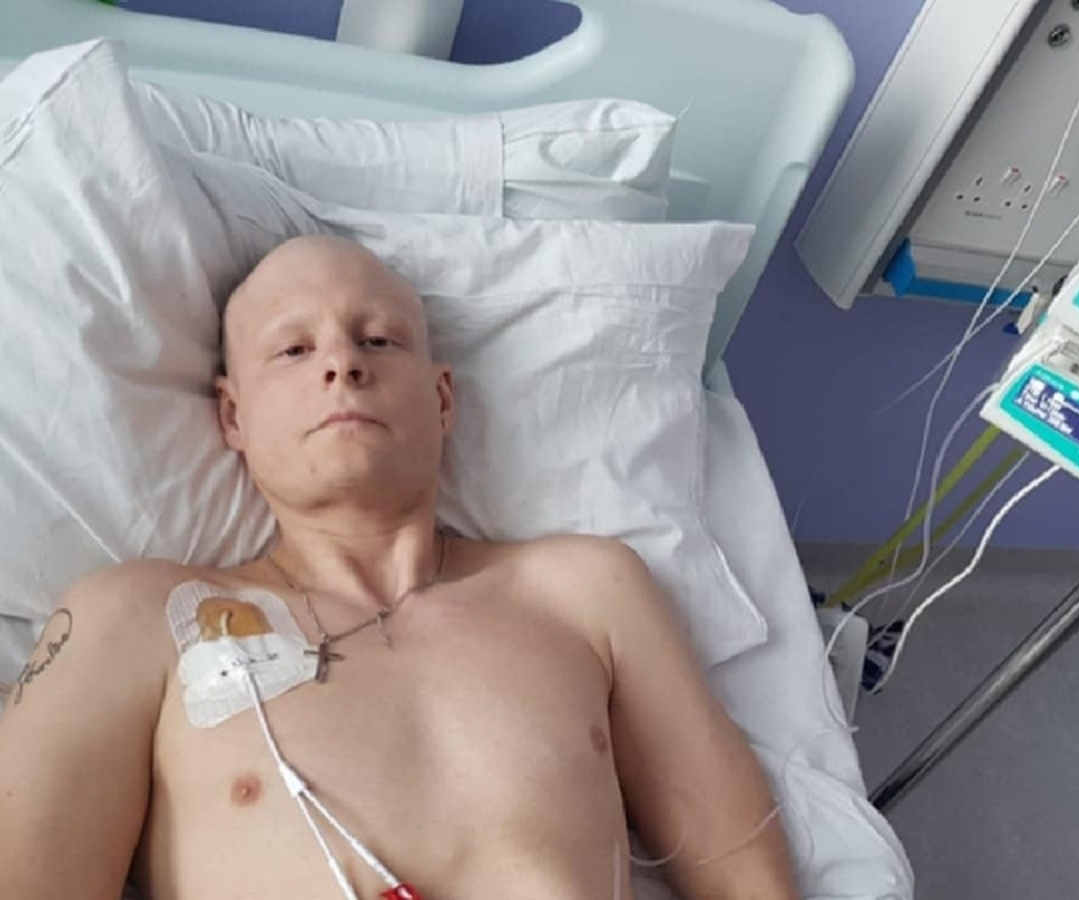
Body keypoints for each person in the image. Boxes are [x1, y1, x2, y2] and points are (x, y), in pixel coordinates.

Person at [0, 235, 799, 900]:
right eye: (294, 348)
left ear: (443, 398)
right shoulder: (137, 619)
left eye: (378, 339)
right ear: (233, 414)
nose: (342, 365)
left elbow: (746, 875)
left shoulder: (589, 593)